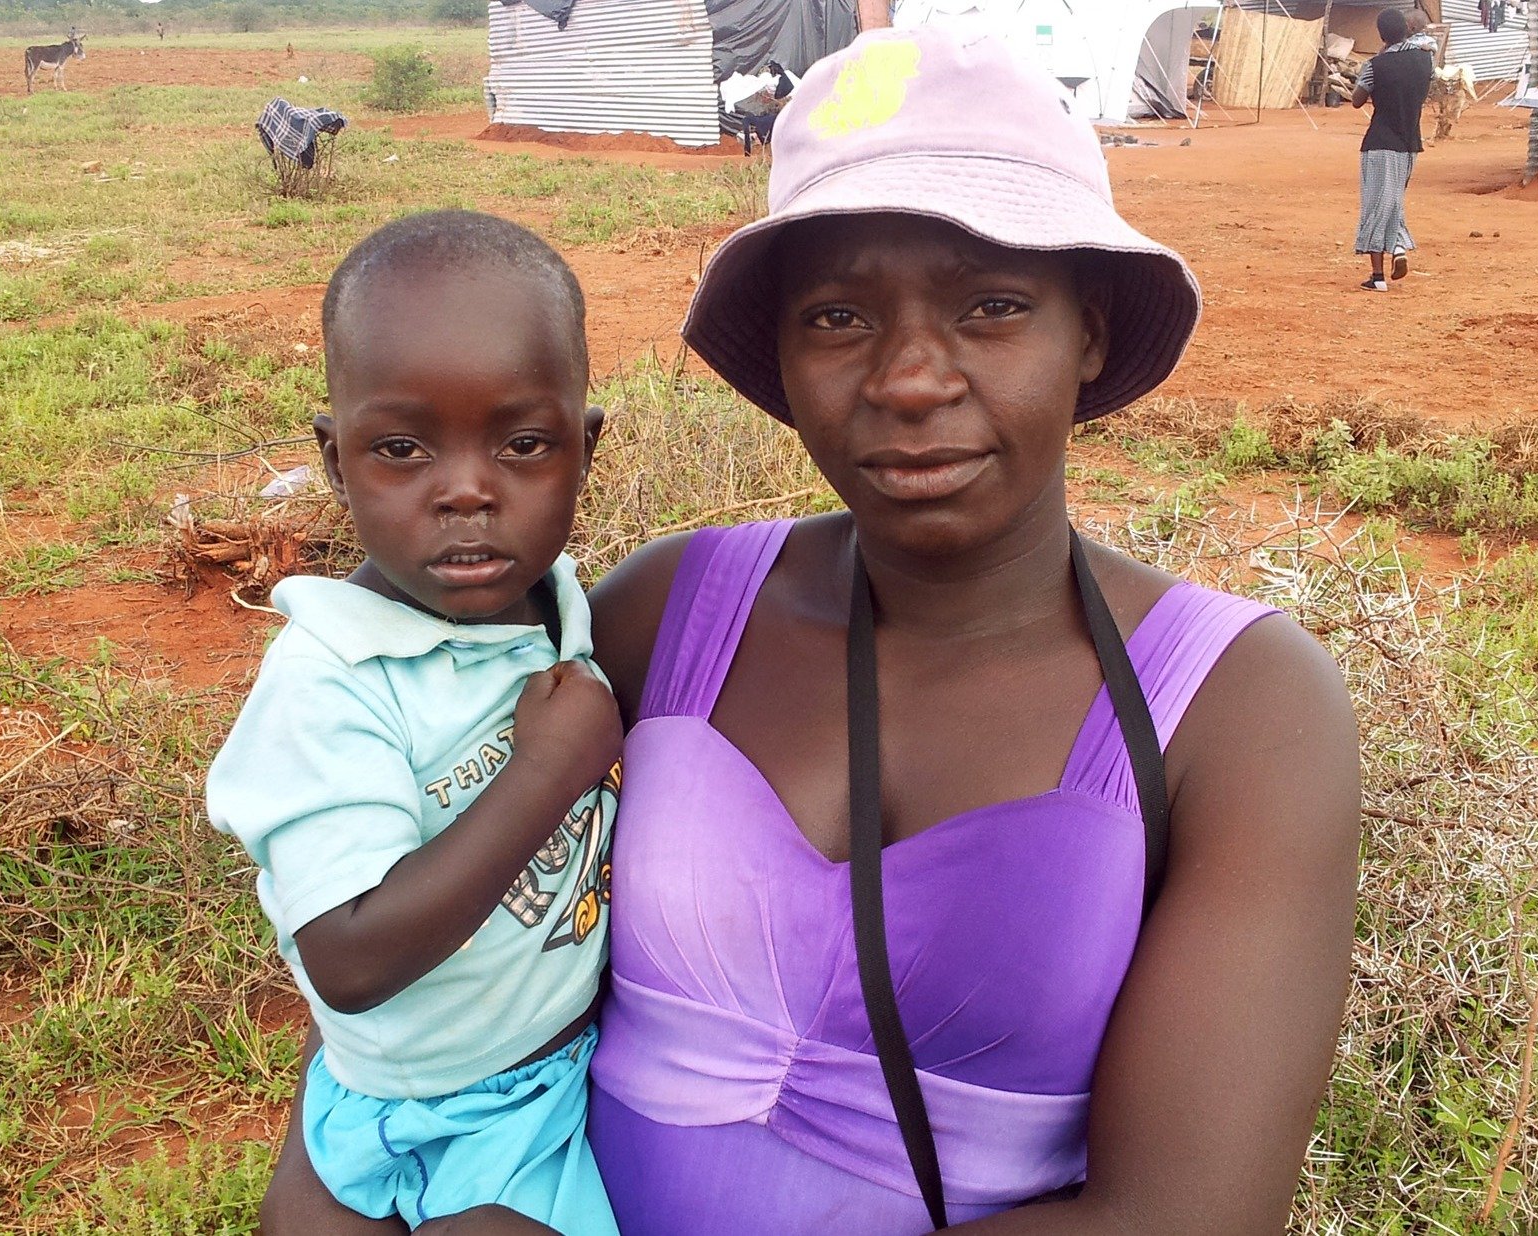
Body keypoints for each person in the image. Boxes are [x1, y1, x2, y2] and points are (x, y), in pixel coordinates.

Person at [262, 28, 1360, 1236]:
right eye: (838, 318)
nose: (906, 378)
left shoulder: (1240, 708)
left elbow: (1186, 1215)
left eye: (991, 307)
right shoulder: (664, 615)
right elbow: (427, 1005)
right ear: (782, 356)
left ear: (1087, 332)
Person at [207, 210, 622, 1235]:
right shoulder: (330, 680)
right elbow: (350, 961)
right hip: (388, 1097)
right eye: (402, 449)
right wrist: (544, 776)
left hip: (550, 1085)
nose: (469, 491)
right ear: (336, 461)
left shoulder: (559, 601)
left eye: (524, 444)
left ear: (585, 447)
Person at [1351, 8, 1434, 291]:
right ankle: (1398, 248)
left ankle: (1377, 278)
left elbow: (1356, 100)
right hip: (1409, 142)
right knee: (1393, 200)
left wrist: (1379, 57)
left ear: (1381, 34)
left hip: (1379, 143)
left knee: (1376, 205)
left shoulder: (1376, 65)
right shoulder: (1425, 59)